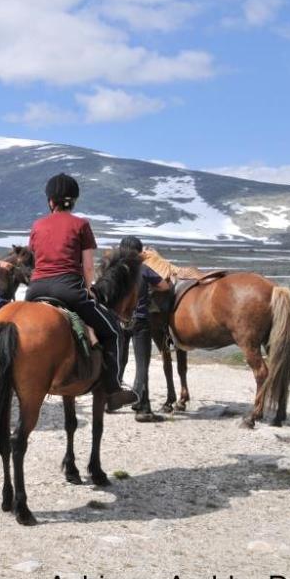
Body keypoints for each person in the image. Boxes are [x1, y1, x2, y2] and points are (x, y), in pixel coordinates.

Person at [23, 173, 138, 411]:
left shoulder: (37, 225)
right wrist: (89, 290)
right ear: (73, 201)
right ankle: (113, 389)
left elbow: (34, 260)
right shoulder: (81, 225)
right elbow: (87, 266)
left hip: (35, 289)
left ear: (50, 201)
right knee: (114, 331)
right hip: (69, 290)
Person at [118, 235, 172, 422]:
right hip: (140, 321)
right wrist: (150, 290)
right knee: (142, 365)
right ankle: (142, 406)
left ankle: (111, 400)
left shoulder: (115, 270)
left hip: (119, 321)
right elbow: (164, 286)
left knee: (119, 360)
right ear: (139, 252)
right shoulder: (143, 269)